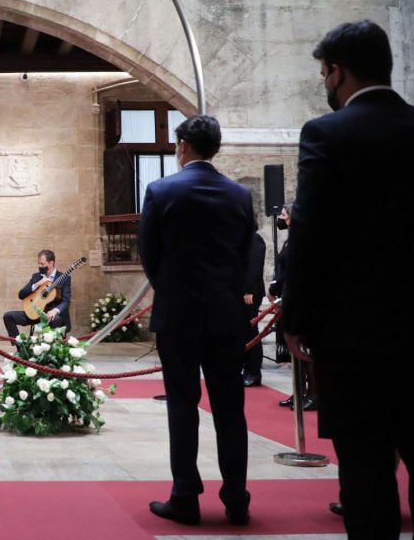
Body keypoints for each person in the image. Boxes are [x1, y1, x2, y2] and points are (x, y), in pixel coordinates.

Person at [281, 20, 414, 540]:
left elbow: (310, 233)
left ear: (336, 71)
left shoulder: (328, 133)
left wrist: (295, 318)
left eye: (323, 73)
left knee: (367, 474)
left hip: (356, 341)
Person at [138, 114, 256, 527]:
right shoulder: (240, 195)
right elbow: (245, 255)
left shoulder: (160, 190)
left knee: (182, 408)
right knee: (230, 410)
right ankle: (237, 500)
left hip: (178, 316)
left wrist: (170, 289)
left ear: (183, 145)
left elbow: (149, 255)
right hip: (225, 317)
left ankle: (185, 497)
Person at [269, 205, 316, 411]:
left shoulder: (302, 240)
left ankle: (314, 394)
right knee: (297, 355)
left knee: (306, 354)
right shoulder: (290, 240)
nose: (280, 217)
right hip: (288, 298)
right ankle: (299, 391)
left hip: (301, 302)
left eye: (284, 214)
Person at [2, 250, 72, 337]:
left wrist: (55, 311)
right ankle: (21, 348)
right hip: (34, 314)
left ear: (51, 263)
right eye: (38, 263)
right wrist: (37, 284)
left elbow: (66, 301)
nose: (39, 266)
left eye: (42, 264)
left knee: (55, 320)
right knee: (8, 316)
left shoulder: (64, 278)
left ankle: (49, 349)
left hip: (51, 316)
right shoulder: (36, 276)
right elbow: (21, 295)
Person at [241, 230, 266, 387]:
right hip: (239, 293)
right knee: (243, 332)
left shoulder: (254, 239)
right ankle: (246, 367)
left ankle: (254, 371)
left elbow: (254, 266)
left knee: (251, 331)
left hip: (250, 293)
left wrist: (248, 290)